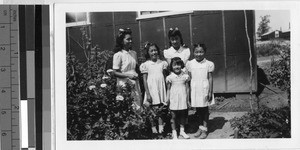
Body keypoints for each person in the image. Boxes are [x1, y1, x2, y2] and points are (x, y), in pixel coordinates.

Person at [186, 43, 215, 139]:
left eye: (201, 52)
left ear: (205, 52)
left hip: (204, 88)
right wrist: (189, 92)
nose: (199, 54)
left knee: (205, 109)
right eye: (196, 52)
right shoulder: (190, 64)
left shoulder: (208, 64)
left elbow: (210, 78)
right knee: (198, 110)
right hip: (195, 89)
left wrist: (210, 91)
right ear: (193, 52)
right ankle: (200, 127)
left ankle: (205, 129)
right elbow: (189, 78)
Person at [140, 42, 168, 134]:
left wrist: (166, 90)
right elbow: (144, 80)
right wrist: (147, 93)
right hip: (151, 89)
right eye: (151, 51)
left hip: (160, 87)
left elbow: (164, 77)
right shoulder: (146, 64)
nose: (154, 52)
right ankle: (153, 127)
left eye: (155, 50)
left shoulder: (162, 63)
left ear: (158, 51)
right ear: (148, 52)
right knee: (150, 108)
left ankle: (161, 127)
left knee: (160, 107)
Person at [112, 28, 142, 109]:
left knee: (137, 105)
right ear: (122, 41)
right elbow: (114, 73)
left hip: (135, 82)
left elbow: (135, 68)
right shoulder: (118, 55)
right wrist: (128, 75)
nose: (130, 41)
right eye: (128, 39)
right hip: (124, 83)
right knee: (127, 105)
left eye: (131, 39)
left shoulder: (134, 53)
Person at [166, 57, 190, 139]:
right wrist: (167, 99)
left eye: (178, 64)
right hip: (174, 99)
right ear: (171, 66)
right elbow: (168, 89)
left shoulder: (185, 76)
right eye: (174, 65)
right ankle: (174, 132)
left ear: (181, 65)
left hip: (182, 98)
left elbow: (187, 88)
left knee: (183, 115)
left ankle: (182, 131)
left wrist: (188, 99)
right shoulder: (170, 77)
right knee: (173, 116)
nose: (177, 67)